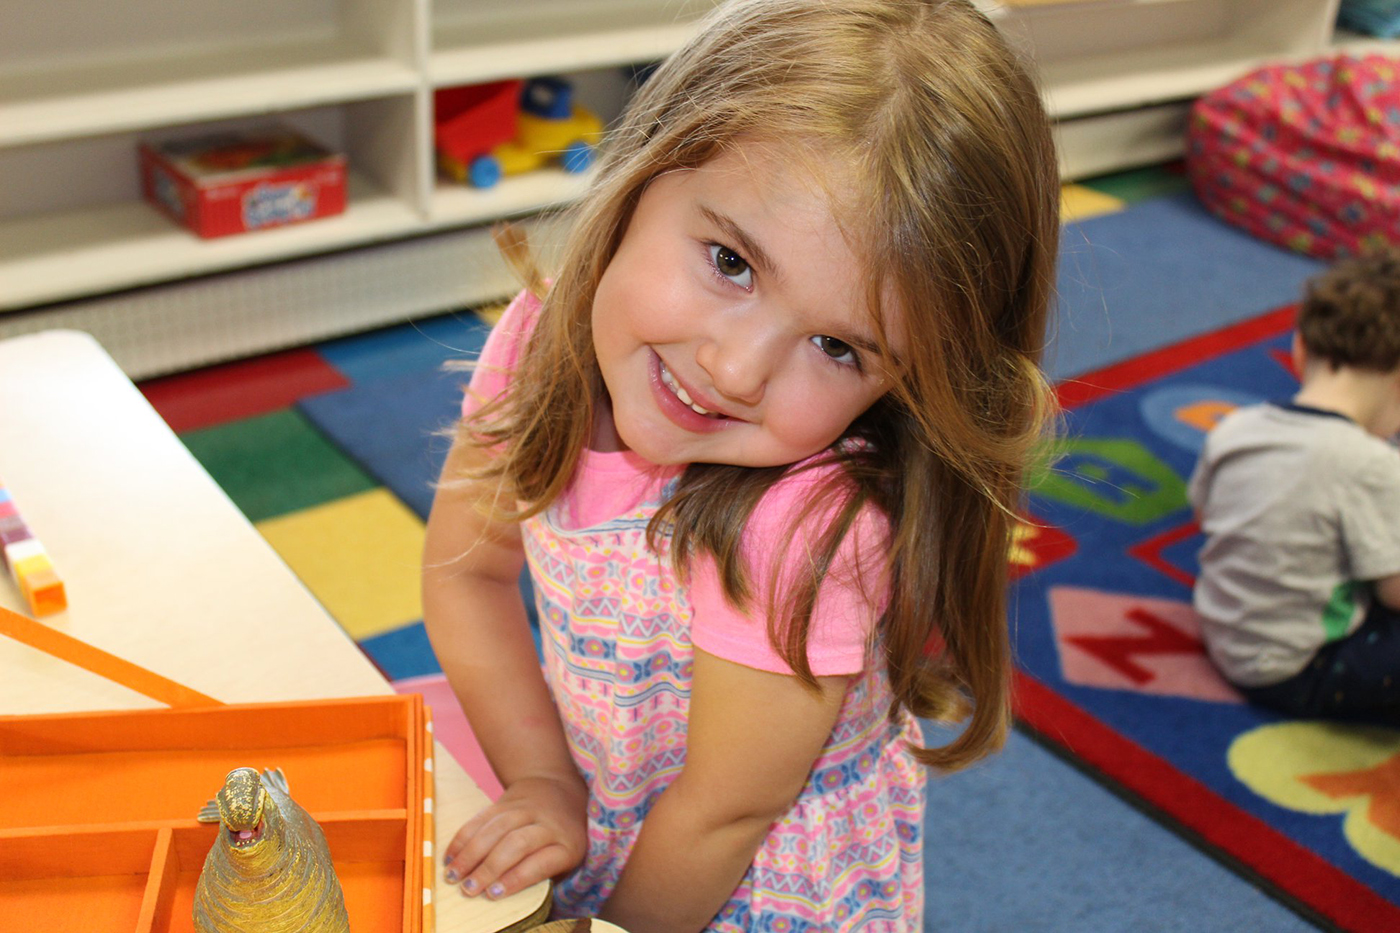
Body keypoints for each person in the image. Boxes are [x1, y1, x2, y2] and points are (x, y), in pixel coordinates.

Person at [421, 1, 1059, 929]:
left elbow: (724, 813)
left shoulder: (804, 528)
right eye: (730, 261)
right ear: (645, 170)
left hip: (747, 885)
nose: (735, 368)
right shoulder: (539, 337)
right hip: (614, 808)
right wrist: (544, 780)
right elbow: (467, 574)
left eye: (840, 346)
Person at [1190, 248, 1400, 721]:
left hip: (1223, 631)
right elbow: (1394, 595)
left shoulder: (1234, 427)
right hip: (1298, 668)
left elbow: (1205, 514)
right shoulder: (1371, 464)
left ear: (1299, 347)